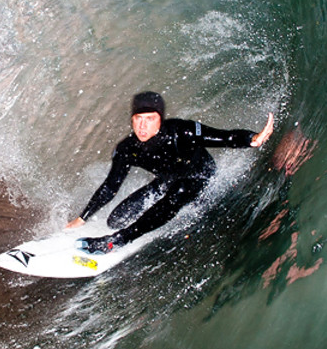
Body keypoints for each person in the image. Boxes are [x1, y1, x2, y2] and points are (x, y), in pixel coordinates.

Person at [66, 91, 274, 254]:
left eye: (150, 118)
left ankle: (121, 239)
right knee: (115, 220)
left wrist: (253, 139)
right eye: (138, 118)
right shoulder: (127, 148)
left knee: (180, 191)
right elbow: (111, 186)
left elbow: (224, 137)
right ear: (131, 120)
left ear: (160, 119)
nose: (143, 125)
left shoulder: (182, 131)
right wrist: (82, 218)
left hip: (199, 180)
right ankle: (129, 227)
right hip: (167, 182)